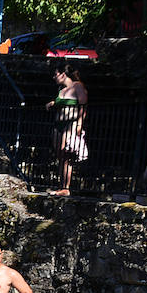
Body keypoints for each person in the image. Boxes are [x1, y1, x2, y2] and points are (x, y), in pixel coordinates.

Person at [46, 63, 88, 196]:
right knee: (60, 157)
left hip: (70, 124)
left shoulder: (78, 86)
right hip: (58, 125)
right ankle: (62, 186)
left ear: (63, 74)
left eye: (56, 74)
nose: (54, 77)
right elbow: (61, 102)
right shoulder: (61, 90)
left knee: (66, 156)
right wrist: (52, 103)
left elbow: (83, 105)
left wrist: (80, 123)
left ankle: (66, 187)